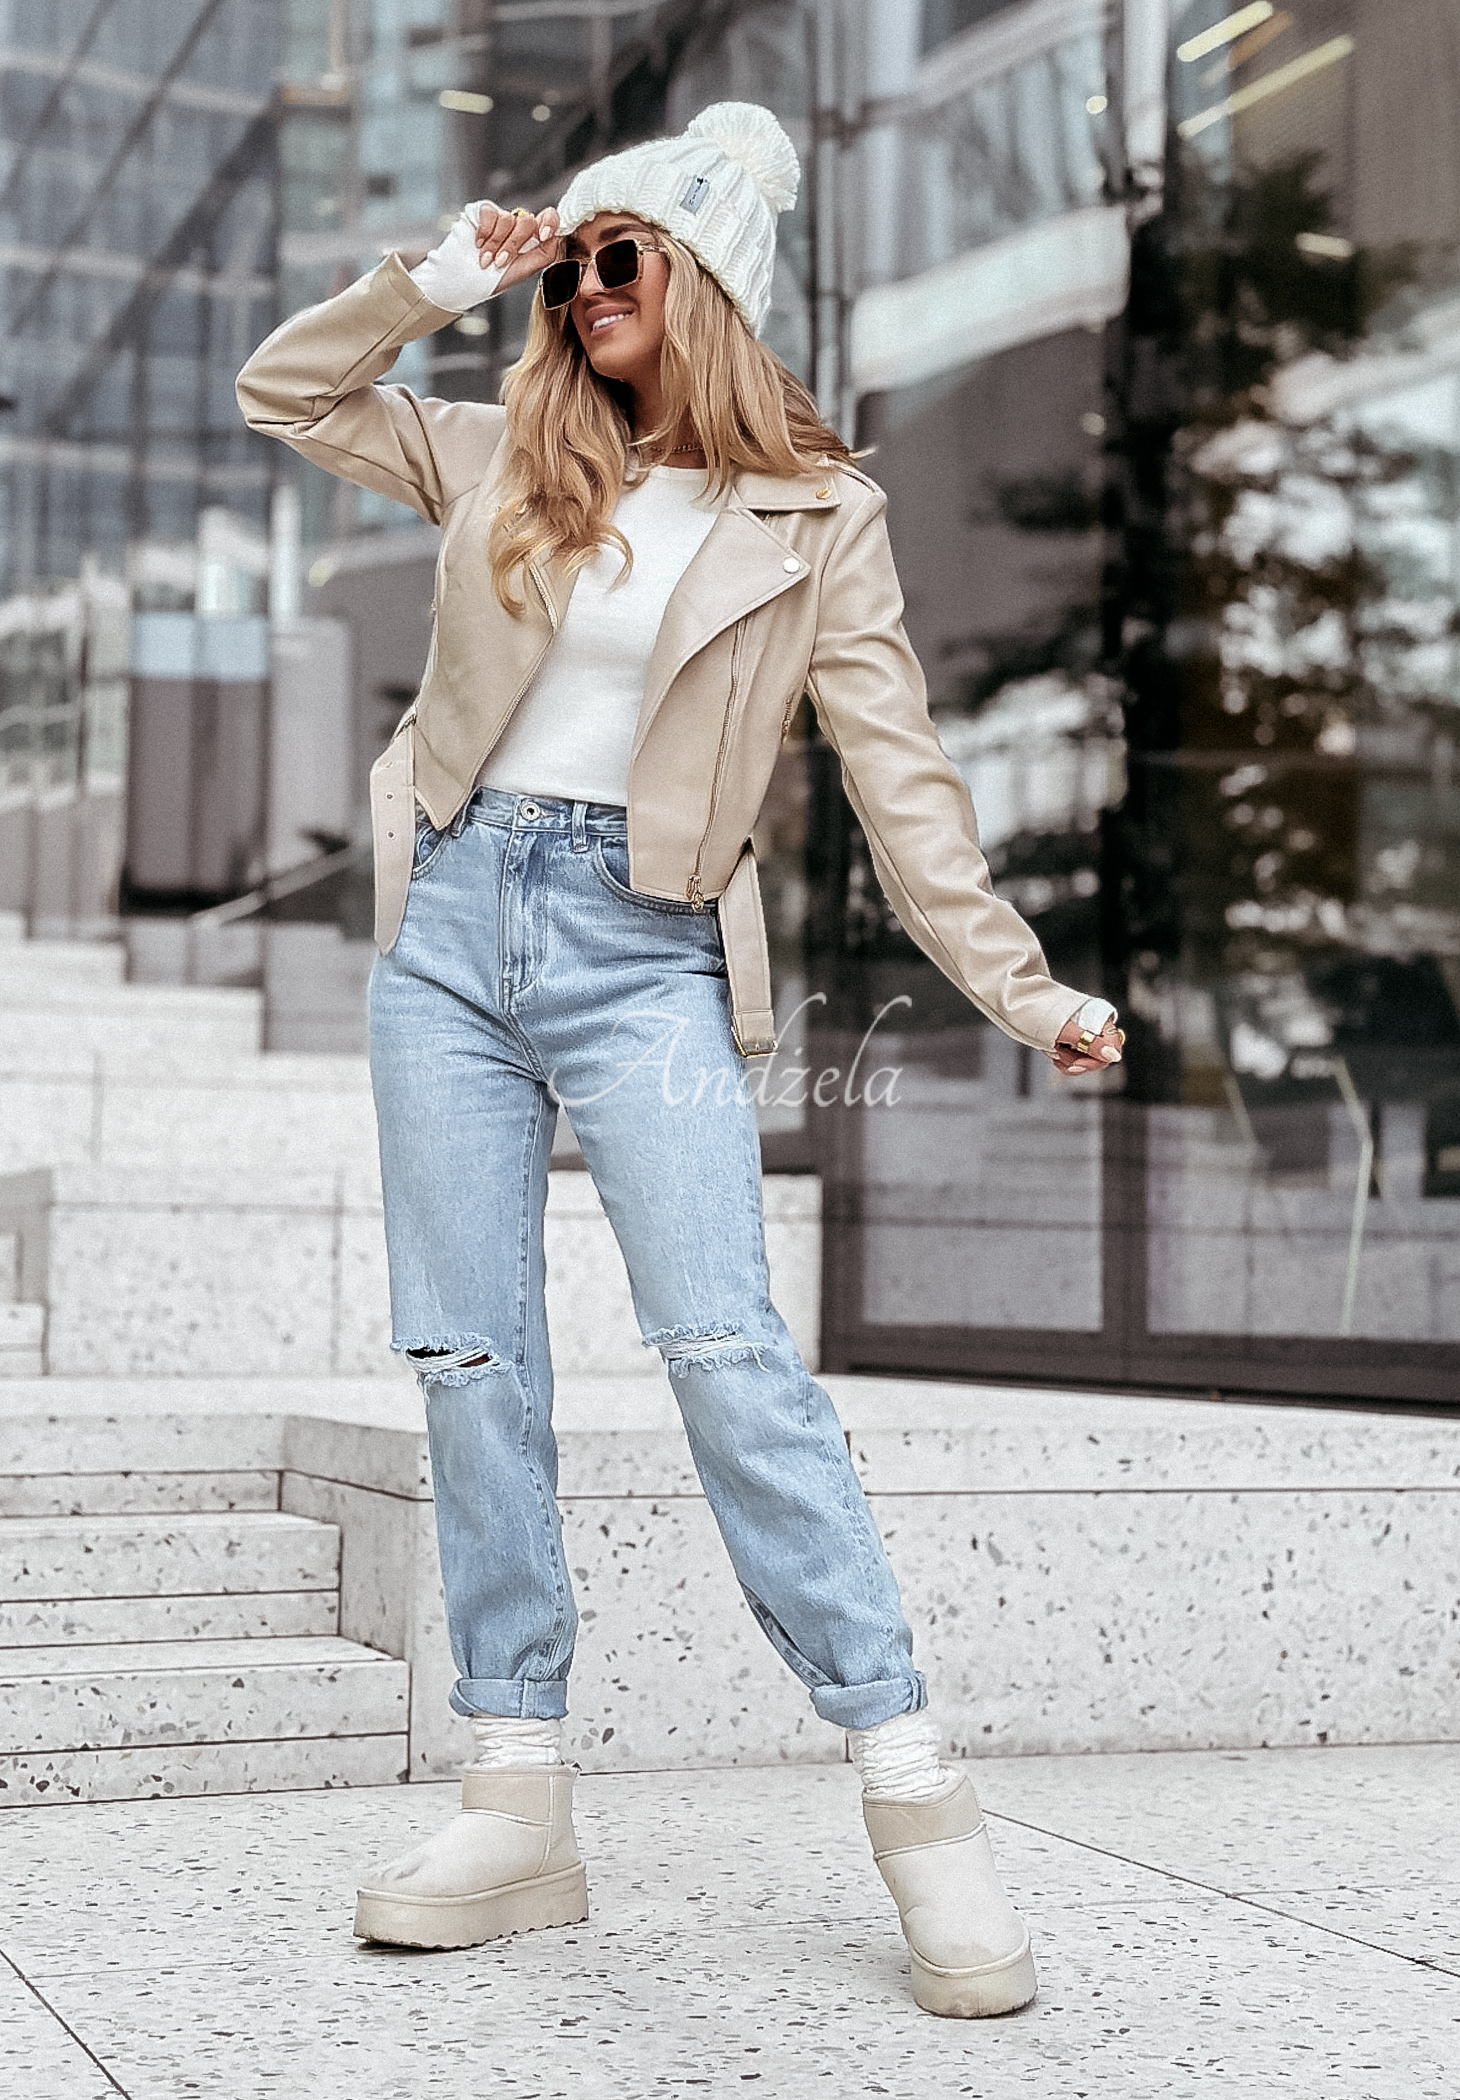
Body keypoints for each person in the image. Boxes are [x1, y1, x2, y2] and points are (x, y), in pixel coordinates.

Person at [236, 101, 1123, 2020]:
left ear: (704, 275)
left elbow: (899, 777)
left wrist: (1021, 987)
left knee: (728, 1354)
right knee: (468, 1360)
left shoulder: (817, 515)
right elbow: (284, 392)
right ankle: (516, 1796)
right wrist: (440, 279)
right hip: (451, 929)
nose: (583, 287)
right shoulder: (496, 448)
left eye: (617, 253)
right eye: (571, 261)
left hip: (645, 951)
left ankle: (915, 1788)